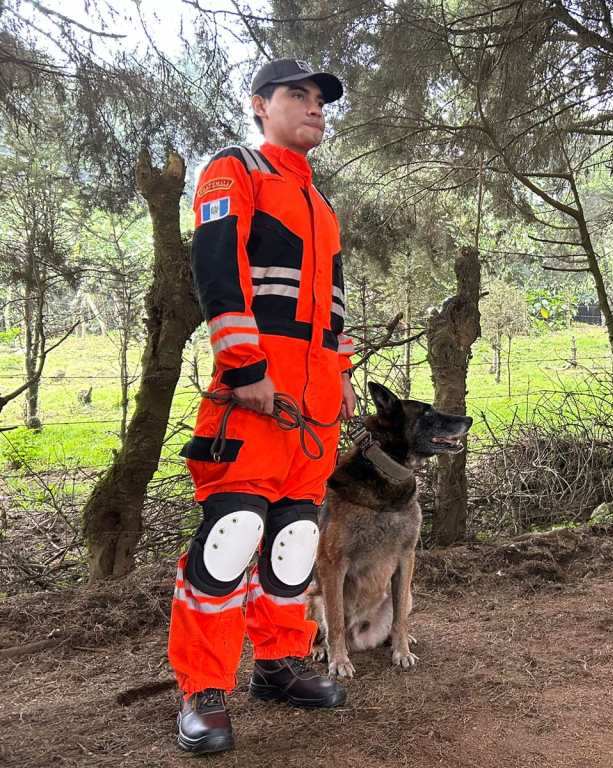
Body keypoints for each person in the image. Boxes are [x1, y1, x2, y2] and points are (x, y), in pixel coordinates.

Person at [168, 58, 357, 754]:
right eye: (297, 96)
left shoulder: (322, 203)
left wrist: (339, 373)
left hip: (313, 397)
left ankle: (279, 664)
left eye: (321, 99)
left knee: (295, 537)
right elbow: (216, 270)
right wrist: (244, 364)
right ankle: (202, 688)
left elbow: (333, 303)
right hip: (255, 383)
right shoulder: (235, 170)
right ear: (259, 104)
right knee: (233, 532)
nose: (315, 107)